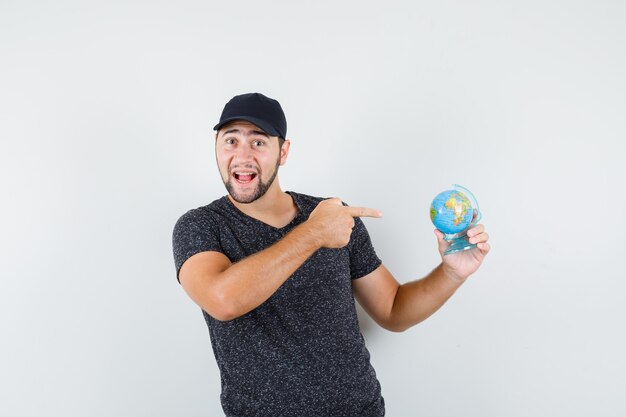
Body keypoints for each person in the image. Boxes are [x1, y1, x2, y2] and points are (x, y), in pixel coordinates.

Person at [172, 92, 490, 417]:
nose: (242, 155)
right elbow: (223, 300)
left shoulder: (333, 216)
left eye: (258, 142)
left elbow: (393, 309)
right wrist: (313, 234)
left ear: (283, 151)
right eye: (231, 141)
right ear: (216, 146)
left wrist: (451, 273)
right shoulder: (201, 226)